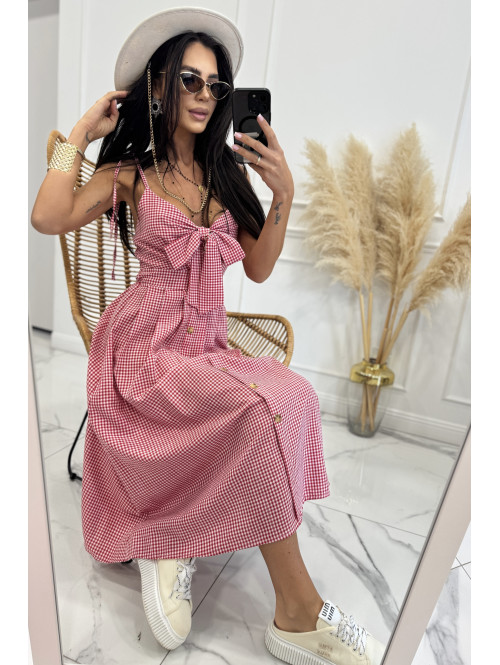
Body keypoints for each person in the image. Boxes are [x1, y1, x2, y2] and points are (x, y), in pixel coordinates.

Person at [31, 7, 385, 665]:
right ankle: (297, 612)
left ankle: (191, 537)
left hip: (208, 344)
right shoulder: (131, 173)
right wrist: (81, 132)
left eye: (214, 86)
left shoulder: (226, 173)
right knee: (257, 410)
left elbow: (258, 265)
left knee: (295, 397)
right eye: (189, 81)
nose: (203, 95)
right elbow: (47, 215)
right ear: (159, 85)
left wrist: (283, 197)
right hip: (145, 348)